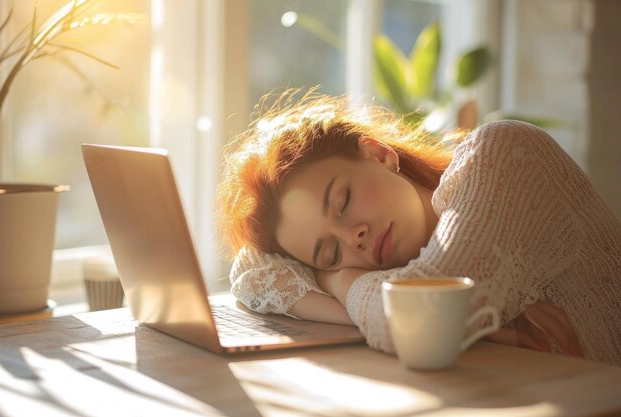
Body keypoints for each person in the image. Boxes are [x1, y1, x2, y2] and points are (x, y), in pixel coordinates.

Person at [216, 90, 621, 365]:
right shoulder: (410, 262)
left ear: (378, 155)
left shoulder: (504, 152)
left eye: (343, 201)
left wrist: (338, 280)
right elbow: (254, 272)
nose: (352, 238)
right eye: (331, 252)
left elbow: (428, 323)